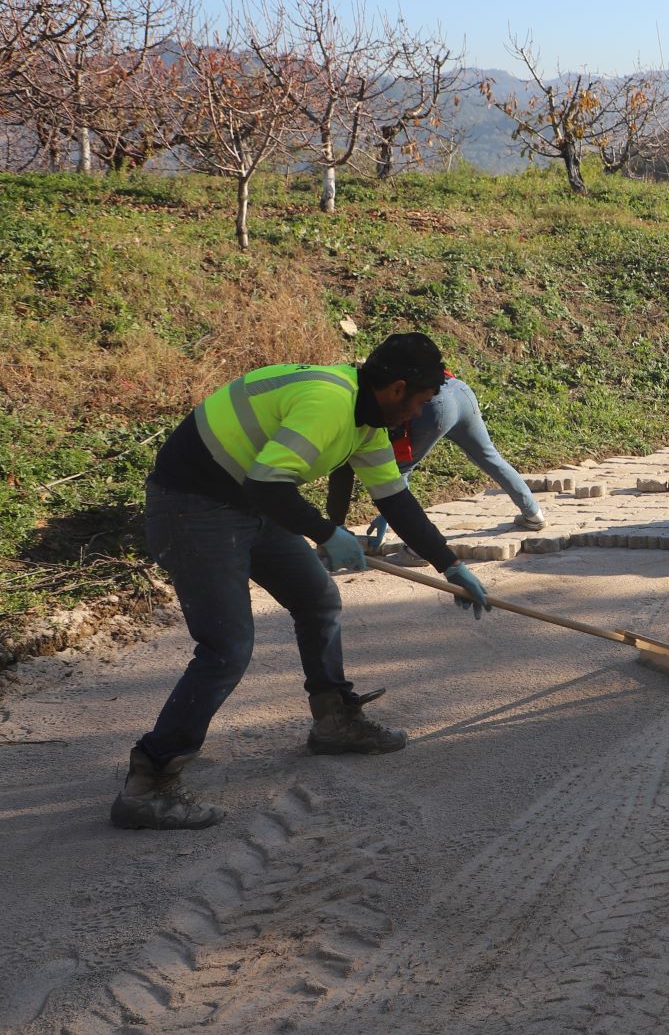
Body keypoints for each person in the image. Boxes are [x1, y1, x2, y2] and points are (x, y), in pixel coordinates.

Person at [111, 333, 493, 832]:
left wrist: (449, 564)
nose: (418, 416)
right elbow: (268, 482)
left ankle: (334, 721)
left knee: (317, 600)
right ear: (396, 388)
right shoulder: (330, 401)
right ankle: (150, 781)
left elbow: (394, 499)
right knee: (227, 647)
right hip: (194, 507)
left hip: (250, 502)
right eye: (421, 403)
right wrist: (326, 531)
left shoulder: (368, 418)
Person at [324, 373, 545, 546]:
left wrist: (387, 514)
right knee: (488, 456)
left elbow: (392, 467)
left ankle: (415, 548)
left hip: (433, 406)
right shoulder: (393, 373)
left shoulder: (375, 395)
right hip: (460, 390)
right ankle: (533, 513)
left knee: (400, 470)